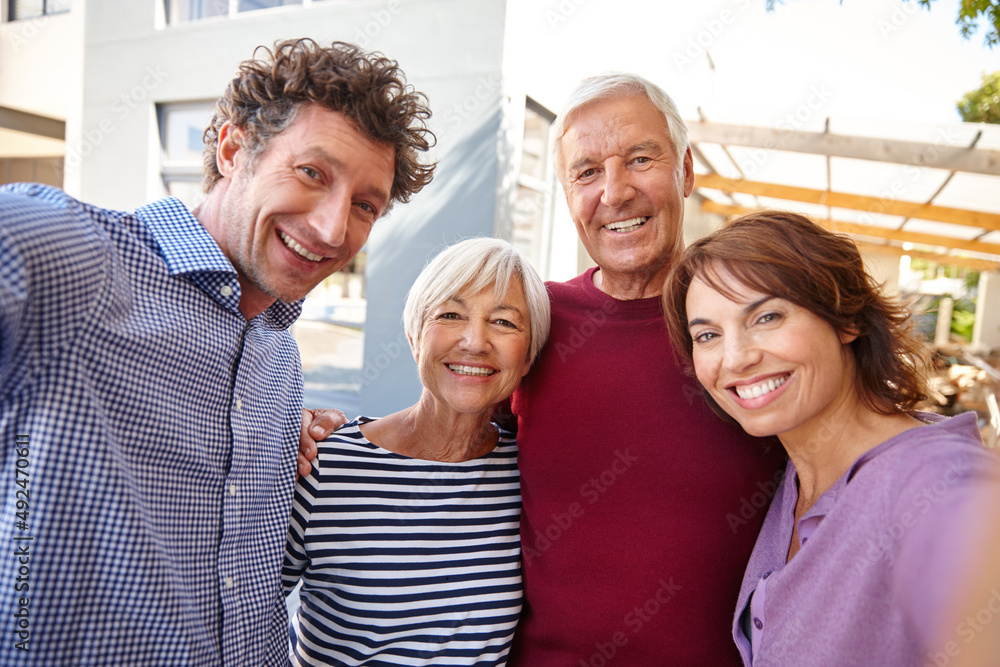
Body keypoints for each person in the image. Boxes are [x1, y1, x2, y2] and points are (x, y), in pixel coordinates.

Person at [301, 74, 784, 665]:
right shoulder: (537, 321)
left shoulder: (743, 324)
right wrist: (317, 433)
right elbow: (455, 426)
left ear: (684, 171)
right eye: (586, 172)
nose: (614, 191)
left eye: (639, 158)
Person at [0, 38, 433, 665]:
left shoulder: (278, 356)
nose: (334, 229)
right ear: (233, 150)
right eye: (313, 173)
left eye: (364, 205)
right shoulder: (76, 258)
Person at [662, 210, 1000, 666]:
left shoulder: (937, 482)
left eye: (767, 316)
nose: (735, 358)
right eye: (708, 334)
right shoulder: (796, 478)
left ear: (847, 320)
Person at [269, 238, 550, 667]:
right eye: (451, 315)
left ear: (529, 356)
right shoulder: (325, 464)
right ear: (415, 336)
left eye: (504, 323)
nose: (475, 341)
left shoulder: (529, 474)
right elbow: (241, 615)